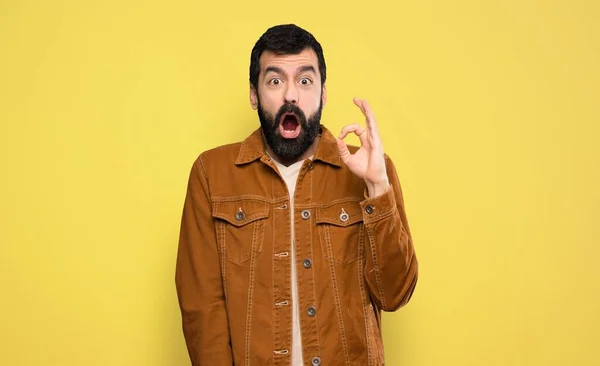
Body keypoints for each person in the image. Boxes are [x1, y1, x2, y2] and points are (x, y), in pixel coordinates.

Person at [175, 23, 418, 366]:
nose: (291, 95)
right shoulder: (211, 175)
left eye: (305, 81)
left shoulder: (371, 171)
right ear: (254, 94)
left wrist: (378, 187)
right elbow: (202, 310)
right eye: (275, 80)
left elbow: (395, 294)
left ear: (323, 93)